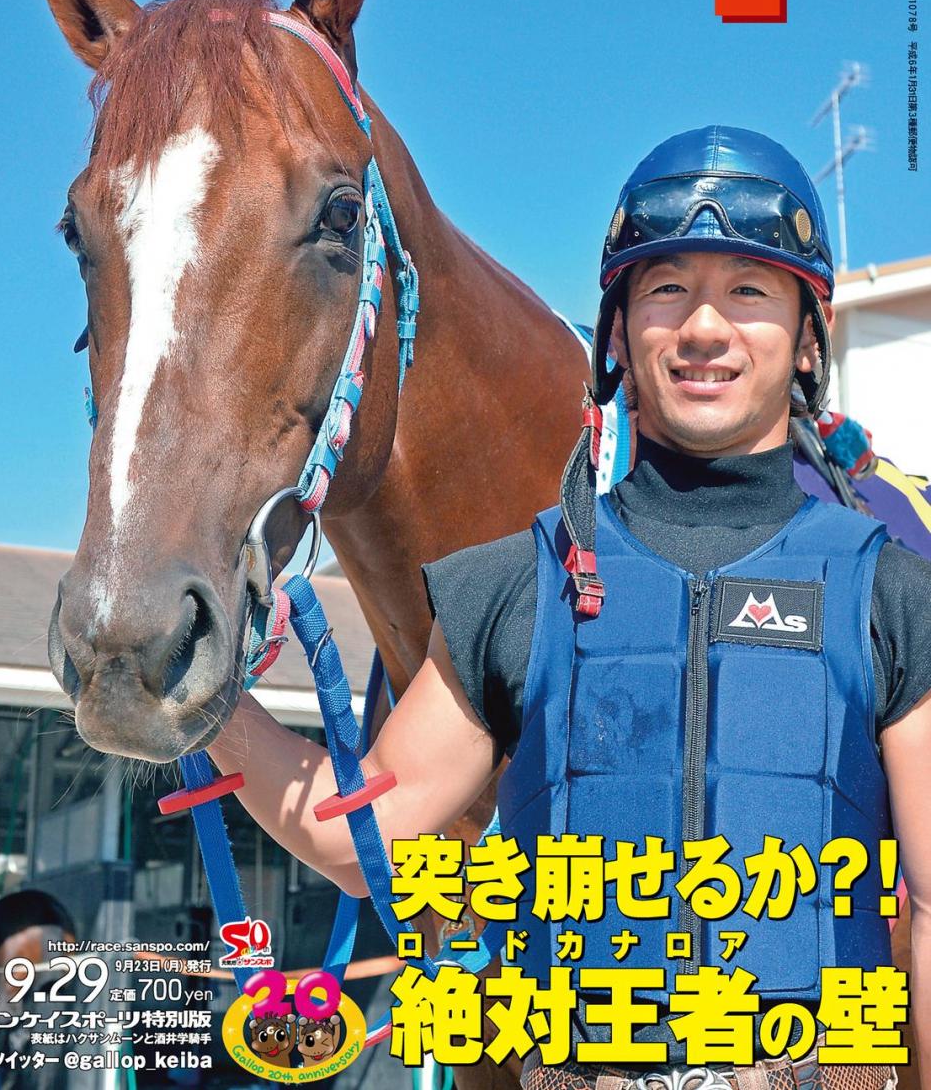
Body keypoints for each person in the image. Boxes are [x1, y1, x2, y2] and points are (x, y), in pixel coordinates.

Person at [209, 126, 931, 1089]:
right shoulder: (517, 584)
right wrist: (209, 704)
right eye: (665, 288)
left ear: (809, 335)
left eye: (750, 291)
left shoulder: (892, 590)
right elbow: (361, 838)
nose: (704, 327)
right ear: (617, 333)